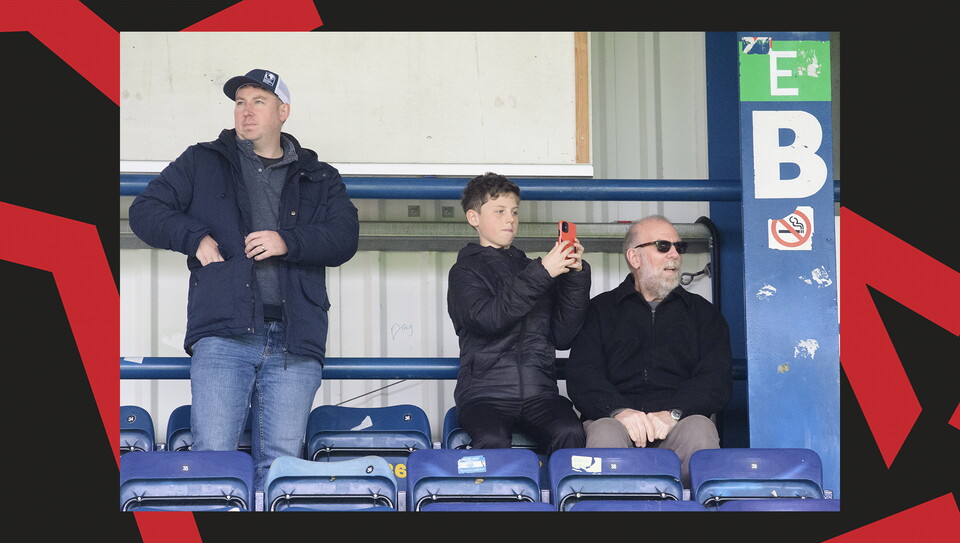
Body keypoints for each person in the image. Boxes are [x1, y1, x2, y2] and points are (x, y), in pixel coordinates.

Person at [128, 68, 360, 489]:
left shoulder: (319, 175)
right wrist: (195, 238)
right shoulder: (202, 160)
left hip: (295, 338)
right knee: (212, 463)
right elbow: (144, 211)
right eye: (239, 102)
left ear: (283, 112)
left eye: (258, 102)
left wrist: (287, 241)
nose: (246, 111)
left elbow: (345, 238)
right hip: (224, 335)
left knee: (281, 470)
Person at [565, 214, 731, 487]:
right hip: (617, 423)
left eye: (679, 247)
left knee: (701, 428)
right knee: (605, 431)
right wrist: (619, 411)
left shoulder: (702, 314)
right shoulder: (600, 311)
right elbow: (583, 377)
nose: (675, 254)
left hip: (676, 424)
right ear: (635, 257)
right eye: (663, 247)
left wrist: (674, 413)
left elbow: (716, 380)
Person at [446, 172, 590, 454]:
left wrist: (575, 276)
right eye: (499, 211)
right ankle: (497, 500)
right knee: (492, 439)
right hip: (484, 395)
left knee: (570, 432)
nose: (510, 219)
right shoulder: (464, 271)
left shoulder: (535, 270)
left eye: (514, 211)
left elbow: (563, 336)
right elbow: (489, 318)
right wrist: (543, 273)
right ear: (473, 218)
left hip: (540, 393)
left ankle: (563, 499)